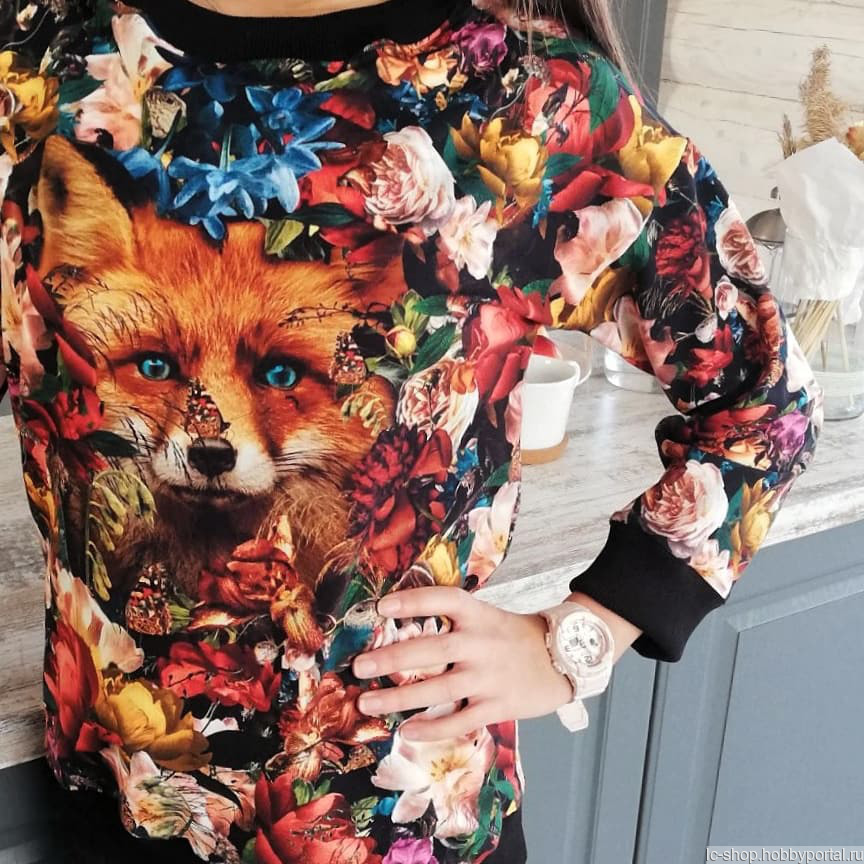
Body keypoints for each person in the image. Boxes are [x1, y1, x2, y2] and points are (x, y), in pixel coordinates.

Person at [0, 0, 822, 861]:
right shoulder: (41, 64)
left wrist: (583, 636)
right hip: (117, 808)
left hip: (401, 823)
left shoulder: (529, 102)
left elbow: (768, 397)